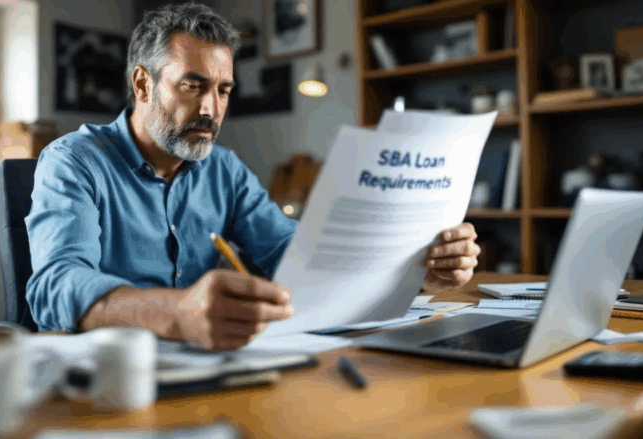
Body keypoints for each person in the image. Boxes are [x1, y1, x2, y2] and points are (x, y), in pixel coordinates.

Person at [25, 2, 481, 350]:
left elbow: (295, 256)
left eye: (223, 90)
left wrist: (416, 274)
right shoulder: (73, 162)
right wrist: (178, 313)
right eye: (192, 86)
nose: (211, 110)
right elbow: (55, 286)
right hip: (107, 378)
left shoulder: (222, 169)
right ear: (143, 84)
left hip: (211, 365)